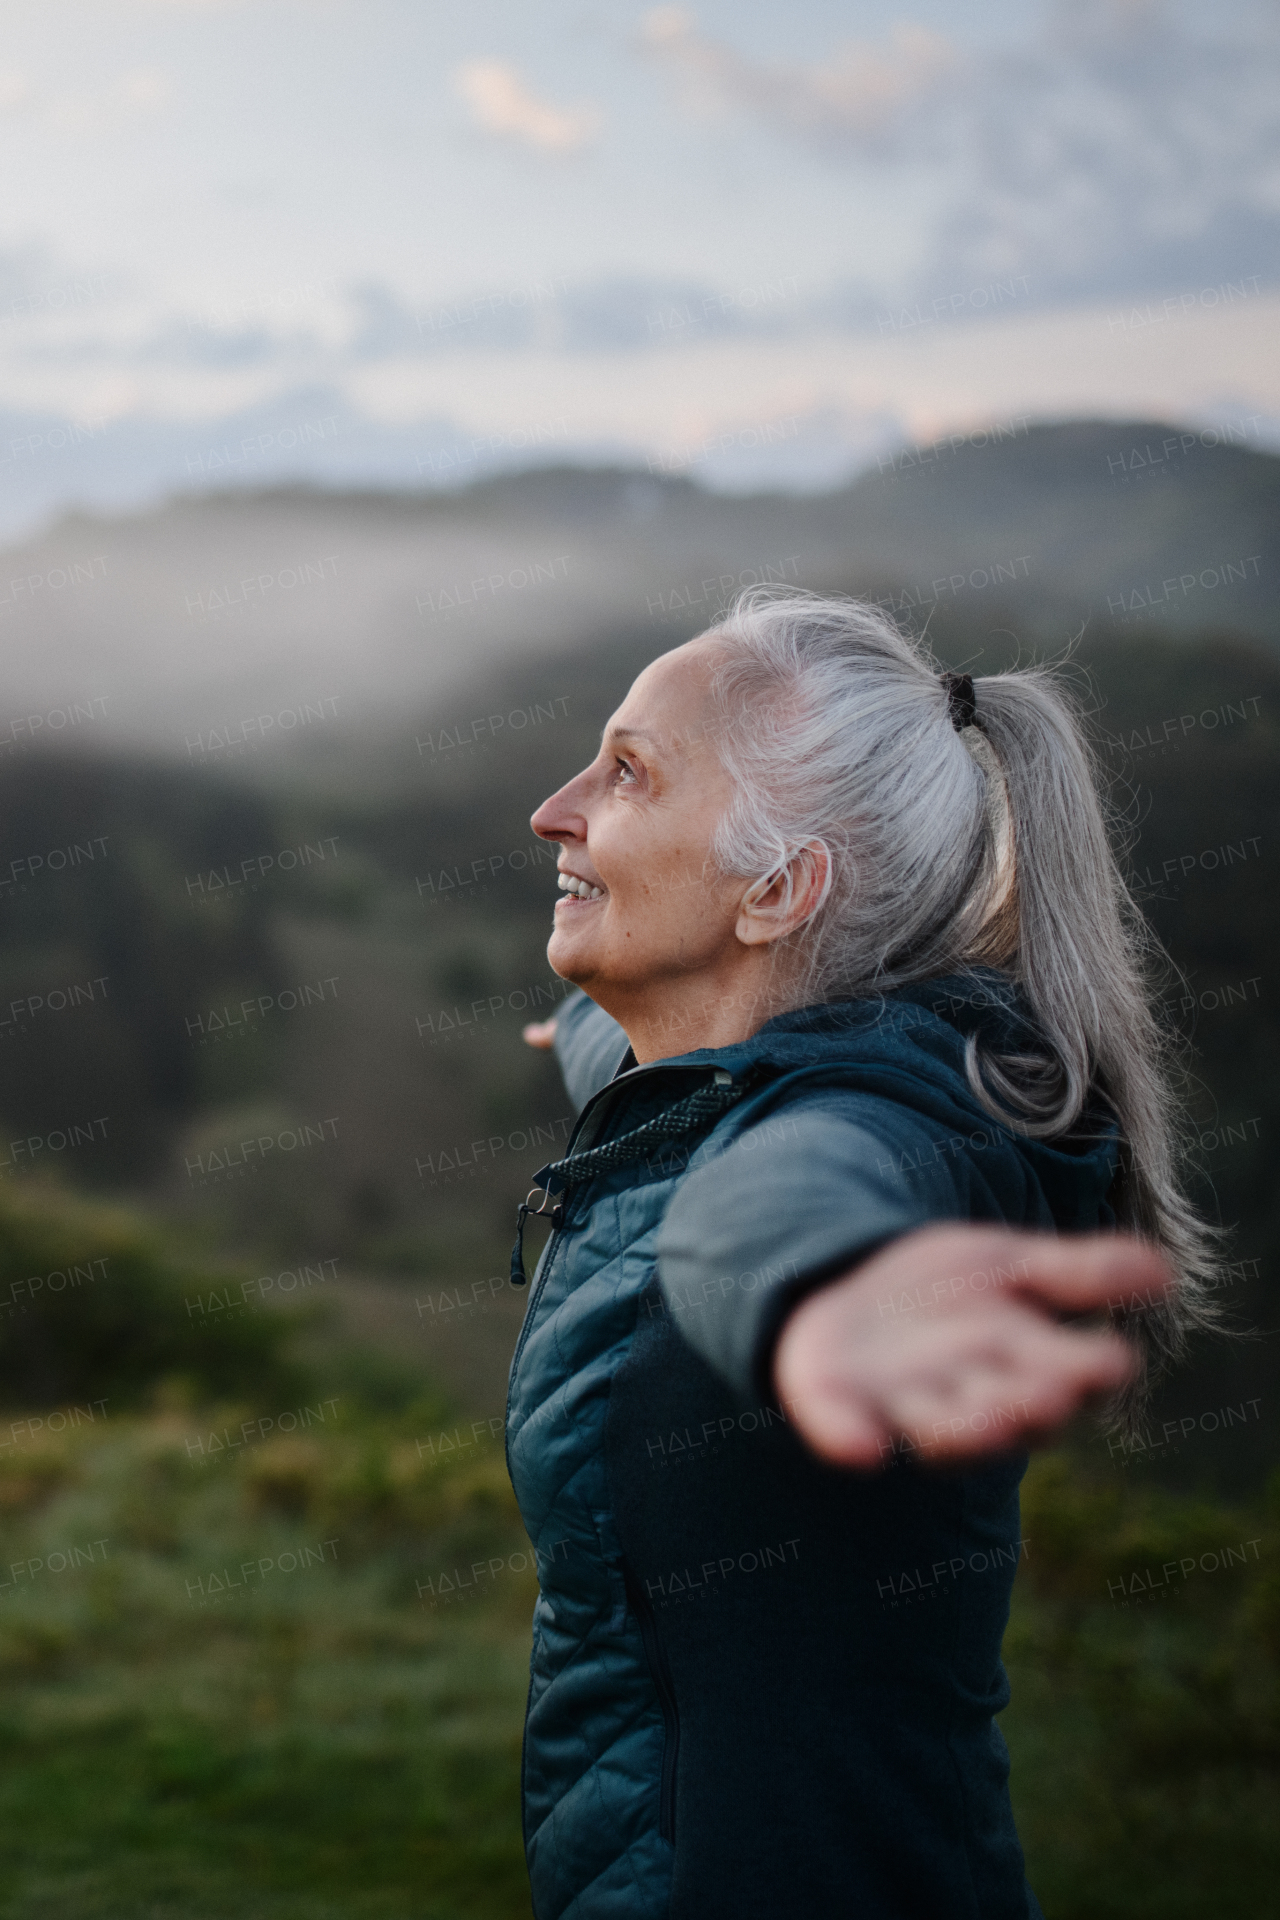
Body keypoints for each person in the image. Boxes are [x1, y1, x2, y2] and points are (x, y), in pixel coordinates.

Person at [506, 590, 1217, 1920]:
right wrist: (595, 1032)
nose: (557, 808)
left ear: (777, 890)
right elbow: (701, 1076)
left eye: (627, 773)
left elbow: (774, 1198)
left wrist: (819, 1293)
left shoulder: (882, 1135)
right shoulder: (732, 1061)